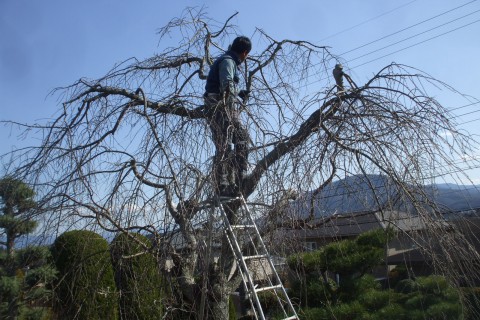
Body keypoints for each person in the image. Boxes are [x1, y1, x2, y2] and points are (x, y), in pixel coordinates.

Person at [204, 36, 252, 195]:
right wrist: (235, 93)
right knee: (232, 142)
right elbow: (226, 84)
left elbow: (227, 84)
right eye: (247, 55)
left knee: (226, 145)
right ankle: (230, 182)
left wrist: (239, 92)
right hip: (220, 106)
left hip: (218, 104)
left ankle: (230, 182)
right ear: (244, 53)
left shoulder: (226, 60)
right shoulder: (228, 61)